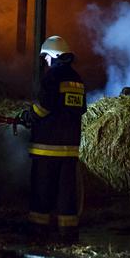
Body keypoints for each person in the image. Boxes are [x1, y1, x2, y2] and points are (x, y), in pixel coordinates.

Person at [19, 35, 86, 240]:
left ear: (54, 55)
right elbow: (80, 109)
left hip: (47, 147)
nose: (46, 62)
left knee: (42, 189)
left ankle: (38, 232)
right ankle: (68, 232)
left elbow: (44, 106)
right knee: (67, 193)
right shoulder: (77, 80)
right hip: (70, 148)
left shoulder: (52, 77)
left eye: (46, 57)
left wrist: (28, 116)